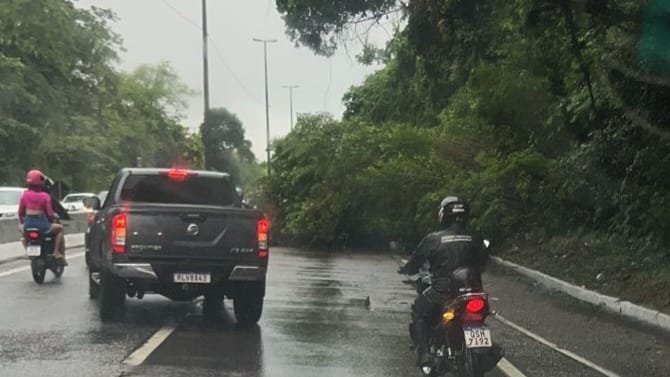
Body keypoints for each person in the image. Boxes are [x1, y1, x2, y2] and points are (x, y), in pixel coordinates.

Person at [398, 196, 489, 366]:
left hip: (444, 293)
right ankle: (485, 350)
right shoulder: (476, 237)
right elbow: (484, 262)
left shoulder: (433, 239)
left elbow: (414, 263)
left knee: (419, 311)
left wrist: (407, 270)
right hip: (474, 292)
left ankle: (424, 353)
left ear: (444, 214)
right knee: (480, 316)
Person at [17, 169, 66, 265]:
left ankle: (27, 250)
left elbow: (20, 212)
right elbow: (50, 214)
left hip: (28, 225)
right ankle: (56, 252)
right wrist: (53, 219)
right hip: (43, 226)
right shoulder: (45, 196)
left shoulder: (25, 195)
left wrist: (23, 222)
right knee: (60, 229)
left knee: (22, 233)